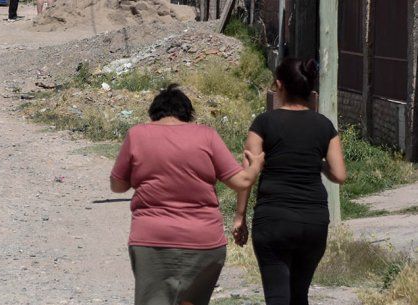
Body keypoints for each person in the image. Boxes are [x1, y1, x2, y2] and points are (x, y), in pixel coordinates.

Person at [111, 84, 265, 305]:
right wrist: (256, 165)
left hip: (152, 240)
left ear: (154, 113)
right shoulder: (207, 136)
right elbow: (242, 182)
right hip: (204, 242)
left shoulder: (137, 135)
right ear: (187, 114)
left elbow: (117, 186)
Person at [232, 58, 347, 305]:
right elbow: (339, 174)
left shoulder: (263, 123)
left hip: (273, 220)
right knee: (299, 295)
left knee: (278, 296)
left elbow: (248, 172)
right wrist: (316, 162)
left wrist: (240, 217)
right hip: (313, 221)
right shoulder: (324, 125)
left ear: (279, 85)